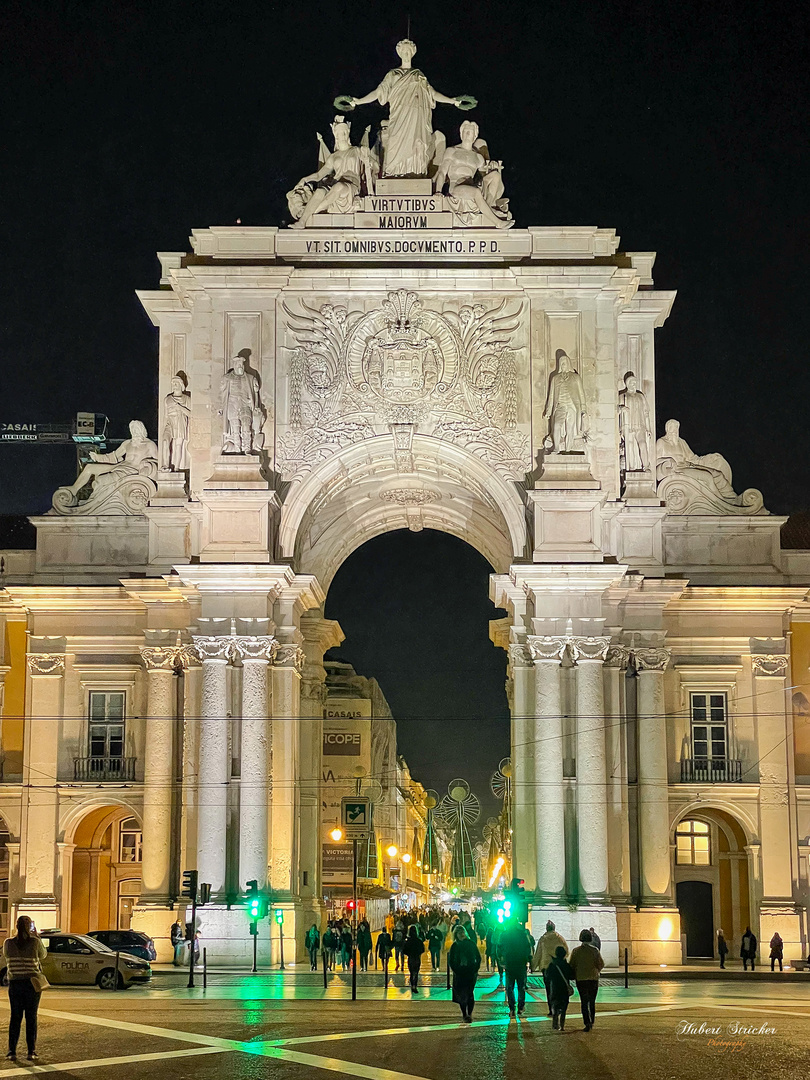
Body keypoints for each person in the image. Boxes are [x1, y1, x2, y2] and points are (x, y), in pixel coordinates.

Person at [340, 39, 474, 177]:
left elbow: (432, 93)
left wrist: (452, 101)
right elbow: (379, 92)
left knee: (417, 145)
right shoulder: (393, 74)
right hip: (399, 116)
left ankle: (415, 172)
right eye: (403, 51)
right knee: (394, 144)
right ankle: (393, 173)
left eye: (408, 51)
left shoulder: (419, 75)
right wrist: (359, 101)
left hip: (417, 116)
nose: (406, 53)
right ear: (399, 53)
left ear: (412, 53)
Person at [3, 916, 47, 1062]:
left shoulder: (8, 943)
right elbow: (43, 955)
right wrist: (37, 937)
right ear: (30, 927)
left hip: (15, 983)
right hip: (31, 983)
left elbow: (7, 956)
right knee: (31, 1017)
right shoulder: (34, 942)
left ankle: (12, 1051)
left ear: (16, 926)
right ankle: (31, 1051)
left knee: (15, 1017)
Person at [543, 351, 589, 452]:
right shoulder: (555, 378)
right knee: (556, 425)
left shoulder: (576, 377)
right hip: (560, 406)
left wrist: (584, 409)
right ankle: (556, 447)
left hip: (572, 406)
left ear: (568, 363)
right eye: (561, 363)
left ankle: (568, 449)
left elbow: (581, 394)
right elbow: (551, 396)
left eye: (564, 362)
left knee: (570, 427)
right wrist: (548, 411)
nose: (563, 365)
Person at [568, 929, 604, 1032]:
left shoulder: (576, 951)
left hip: (581, 978)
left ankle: (586, 1022)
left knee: (584, 1001)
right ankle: (592, 1020)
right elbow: (601, 964)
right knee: (592, 1001)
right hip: (593, 978)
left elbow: (572, 964)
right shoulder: (595, 950)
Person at [532, 920, 569, 1016]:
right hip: (558, 966)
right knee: (558, 988)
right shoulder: (560, 938)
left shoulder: (543, 939)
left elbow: (538, 954)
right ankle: (559, 1007)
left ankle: (551, 1008)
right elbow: (567, 951)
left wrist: (533, 966)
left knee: (549, 989)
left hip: (546, 967)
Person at [498, 920, 533, 1019]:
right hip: (521, 963)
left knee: (510, 987)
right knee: (521, 986)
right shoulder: (522, 934)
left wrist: (501, 959)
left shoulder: (504, 935)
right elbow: (528, 947)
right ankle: (520, 1007)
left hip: (509, 963)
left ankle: (512, 1008)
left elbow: (499, 948)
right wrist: (528, 960)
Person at [448, 925, 481, 1023]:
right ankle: (464, 1014)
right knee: (462, 994)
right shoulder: (455, 946)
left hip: (470, 972)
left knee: (469, 993)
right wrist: (456, 969)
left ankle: (469, 1014)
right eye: (459, 933)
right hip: (460, 973)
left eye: (462, 933)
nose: (461, 935)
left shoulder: (471, 944)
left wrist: (475, 968)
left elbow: (478, 957)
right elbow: (451, 960)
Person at [546, 945, 575, 1031]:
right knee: (564, 1007)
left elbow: (548, 976)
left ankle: (555, 1023)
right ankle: (562, 1025)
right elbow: (572, 975)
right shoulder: (566, 965)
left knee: (555, 1005)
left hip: (555, 988)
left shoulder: (552, 965)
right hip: (564, 989)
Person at [402, 925, 425, 993]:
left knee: (411, 973)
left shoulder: (408, 941)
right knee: (416, 972)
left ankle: (412, 985)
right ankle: (415, 985)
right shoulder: (419, 941)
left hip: (411, 957)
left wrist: (409, 953)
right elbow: (422, 949)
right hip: (417, 958)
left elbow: (404, 950)